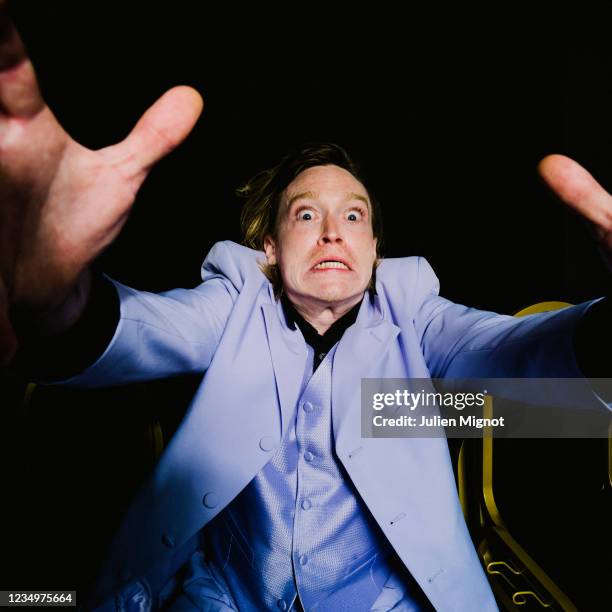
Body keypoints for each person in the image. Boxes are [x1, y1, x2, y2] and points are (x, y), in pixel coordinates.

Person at [1, 4, 610, 611]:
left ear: (374, 249)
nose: (331, 232)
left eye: (353, 215)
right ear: (269, 246)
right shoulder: (236, 299)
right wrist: (57, 300)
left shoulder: (411, 312)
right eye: (304, 214)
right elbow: (142, 333)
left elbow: (513, 368)